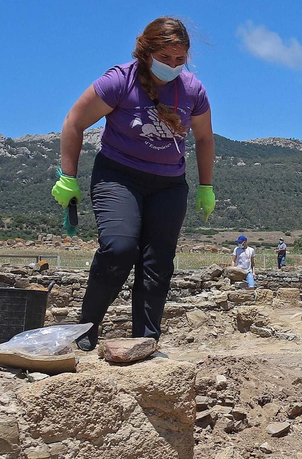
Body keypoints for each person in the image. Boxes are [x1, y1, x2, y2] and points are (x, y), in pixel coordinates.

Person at [53, 17, 215, 350]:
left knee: (158, 262)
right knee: (120, 249)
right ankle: (86, 330)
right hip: (118, 175)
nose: (172, 66)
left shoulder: (192, 90)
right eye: (165, 58)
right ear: (146, 52)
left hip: (168, 184)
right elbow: (74, 121)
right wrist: (67, 177)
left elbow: (203, 137)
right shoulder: (120, 82)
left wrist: (206, 186)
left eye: (179, 60)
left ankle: (145, 342)